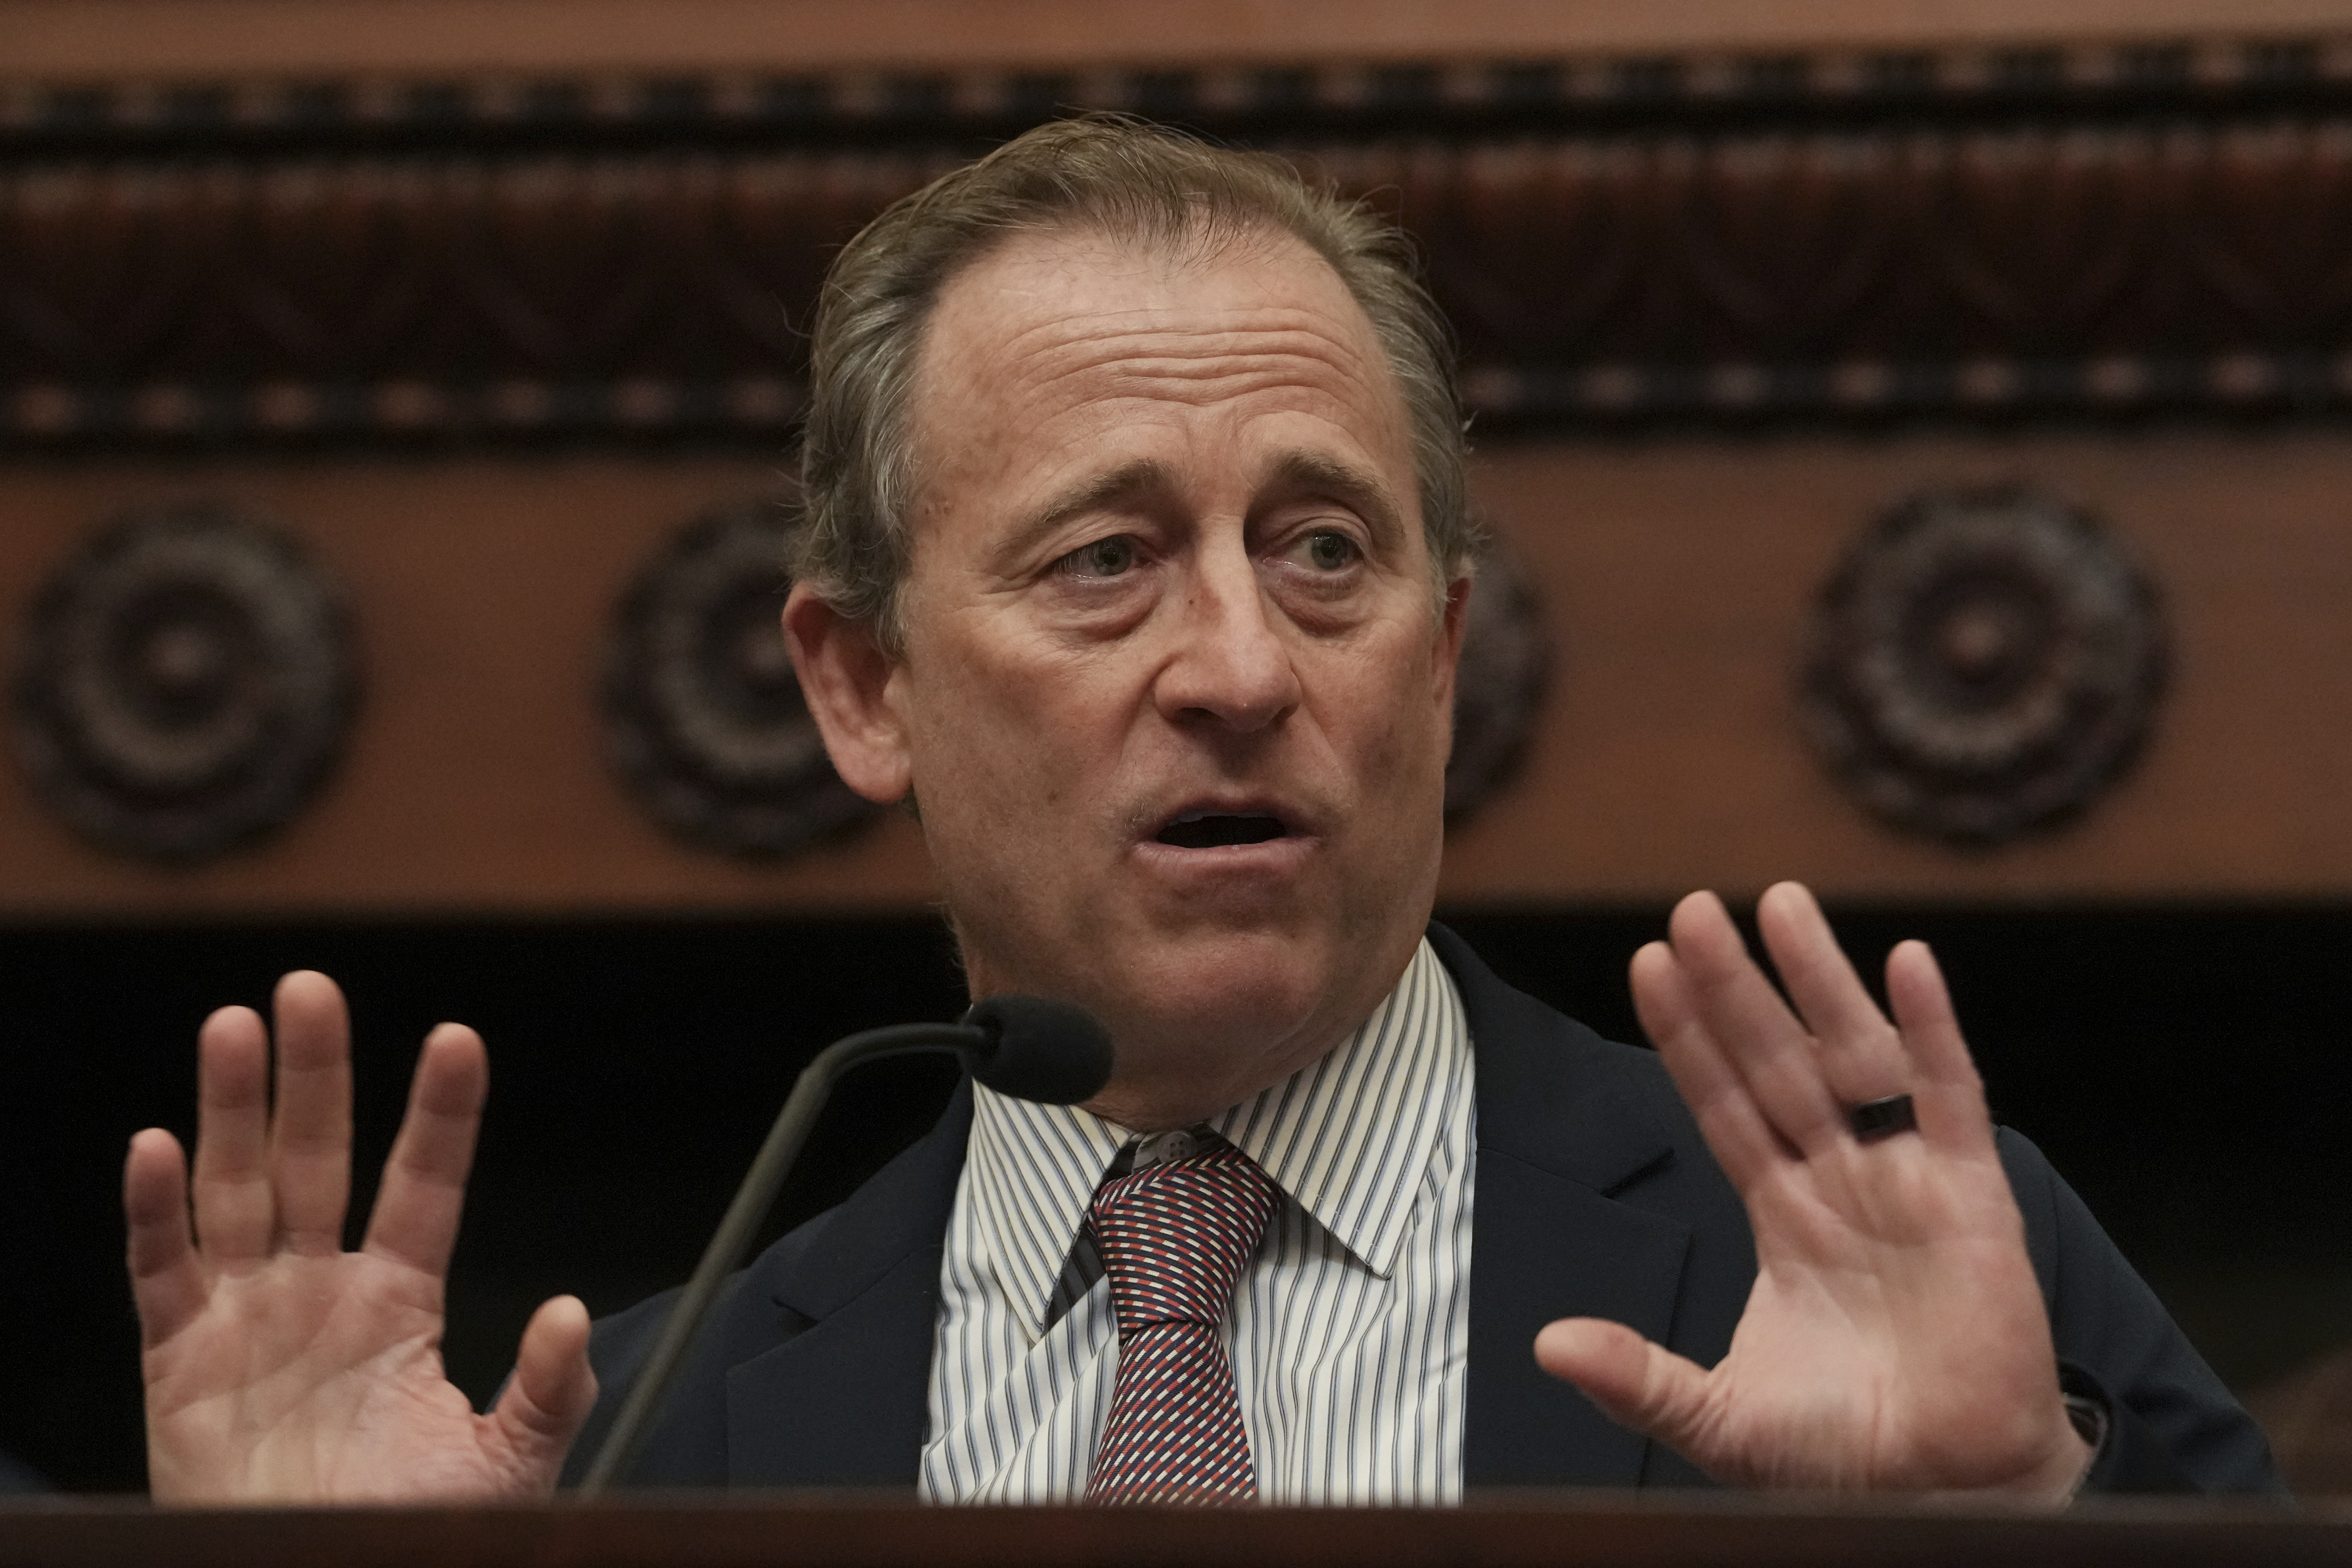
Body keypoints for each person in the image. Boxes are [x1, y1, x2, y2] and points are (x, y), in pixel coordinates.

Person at [122, 115, 2278, 1504]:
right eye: (1103, 560)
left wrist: (2018, 1541)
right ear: (862, 687)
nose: (1243, 666)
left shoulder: (1898, 1262)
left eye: (1325, 551)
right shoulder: (655, 1436)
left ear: (1437, 657)